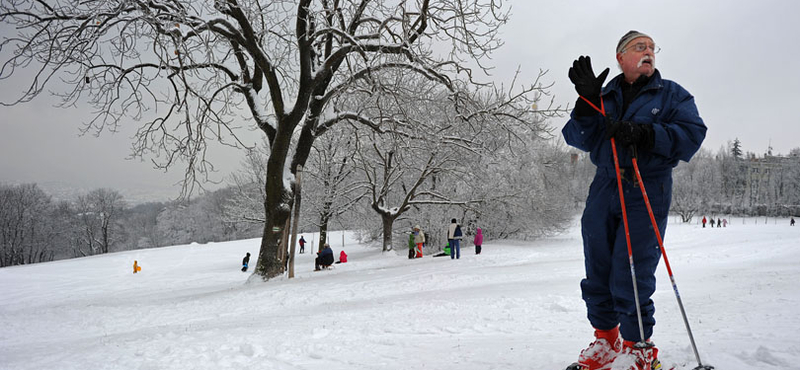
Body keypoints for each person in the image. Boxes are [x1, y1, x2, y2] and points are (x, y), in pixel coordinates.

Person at [562, 30, 706, 370]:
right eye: (640, 47)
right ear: (620, 57)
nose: (649, 53)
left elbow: (692, 135)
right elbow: (576, 138)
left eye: (653, 48)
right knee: (597, 265)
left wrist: (645, 134)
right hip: (604, 185)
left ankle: (638, 345)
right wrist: (586, 103)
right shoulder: (605, 94)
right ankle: (605, 340)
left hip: (646, 186)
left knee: (632, 268)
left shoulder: (672, 95)